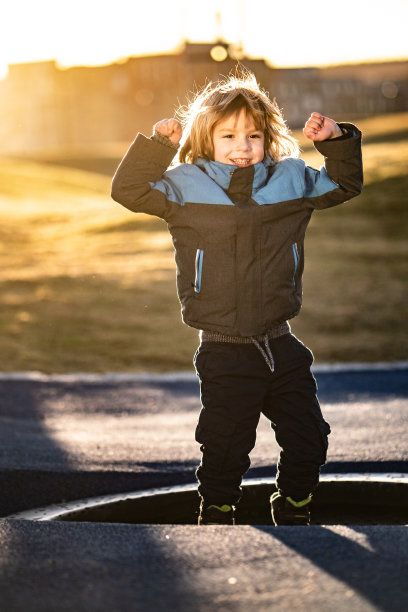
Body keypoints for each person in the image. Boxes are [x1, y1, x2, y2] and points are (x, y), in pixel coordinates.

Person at [111, 71, 363, 526]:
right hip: (224, 348)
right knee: (226, 446)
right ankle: (218, 511)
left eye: (253, 135)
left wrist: (338, 140)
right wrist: (157, 147)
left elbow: (344, 185)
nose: (242, 147)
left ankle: (294, 506)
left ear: (269, 138)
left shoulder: (290, 180)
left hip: (281, 345)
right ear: (206, 140)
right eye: (228, 136)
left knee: (310, 439)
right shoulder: (185, 186)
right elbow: (127, 191)